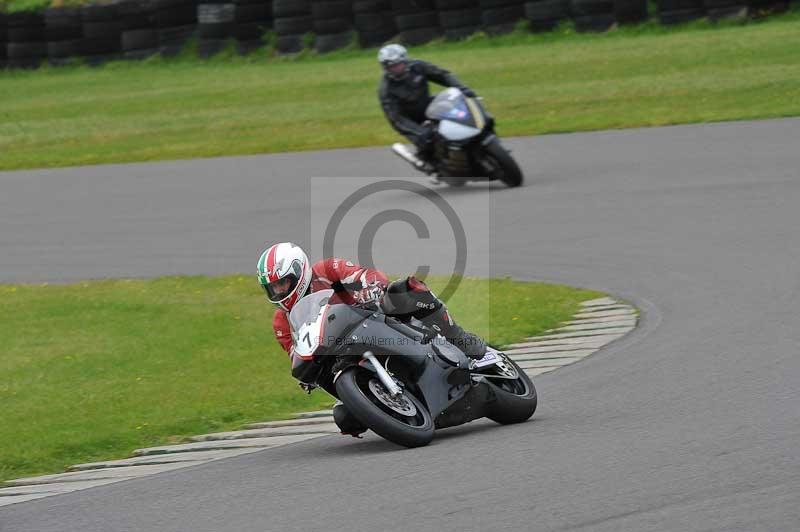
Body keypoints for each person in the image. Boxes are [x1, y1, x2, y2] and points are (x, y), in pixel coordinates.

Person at [257, 242, 487, 436]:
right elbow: (296, 352)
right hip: (339, 355)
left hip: (370, 320)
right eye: (272, 288)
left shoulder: (326, 270)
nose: (279, 291)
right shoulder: (281, 322)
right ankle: (391, 408)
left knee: (403, 291)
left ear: (299, 271)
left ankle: (457, 336)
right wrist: (304, 374)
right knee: (344, 417)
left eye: (283, 283)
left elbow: (364, 275)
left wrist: (372, 288)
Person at [378, 43, 476, 170]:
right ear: (385, 68)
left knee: (459, 109)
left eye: (398, 64)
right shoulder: (386, 90)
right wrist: (420, 132)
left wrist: (462, 89)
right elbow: (396, 119)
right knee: (428, 141)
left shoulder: (418, 66)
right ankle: (429, 165)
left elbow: (443, 75)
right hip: (410, 121)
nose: (395, 68)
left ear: (405, 60)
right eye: (391, 67)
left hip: (429, 107)